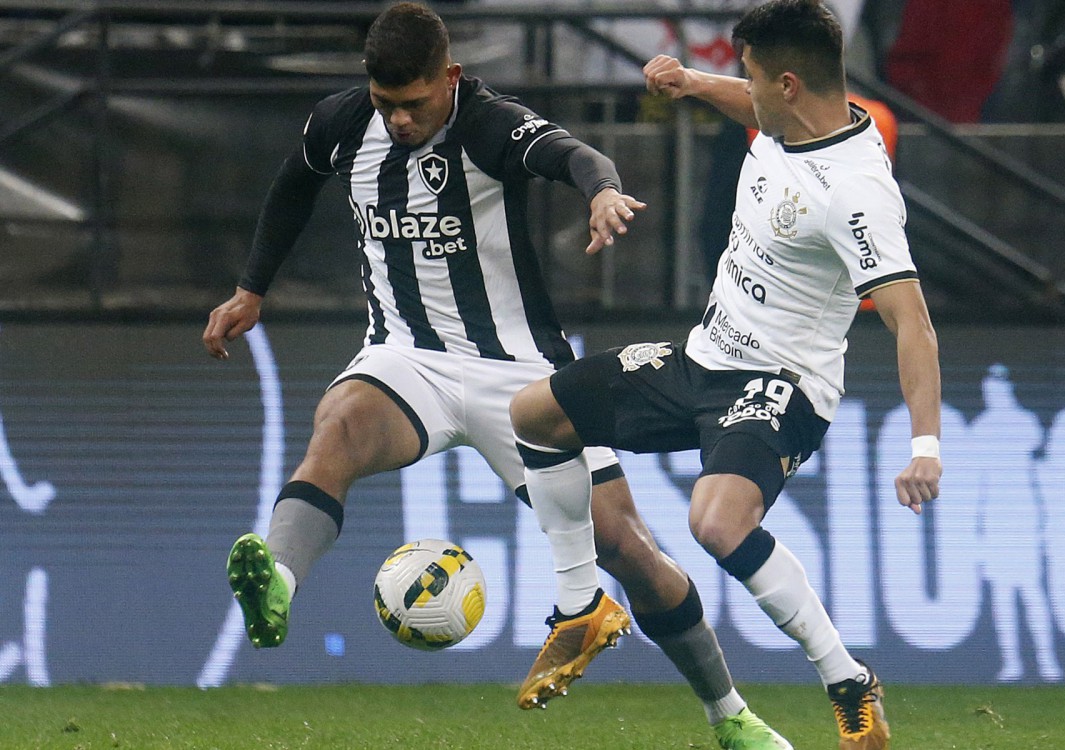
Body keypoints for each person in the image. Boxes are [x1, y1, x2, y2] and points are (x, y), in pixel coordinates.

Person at [202, 4, 791, 749]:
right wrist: (251, 289)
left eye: (415, 103)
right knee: (338, 427)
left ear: (450, 77)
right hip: (406, 357)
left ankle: (729, 714)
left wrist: (602, 192)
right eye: (386, 103)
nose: (400, 120)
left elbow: (575, 156)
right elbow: (294, 183)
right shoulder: (342, 123)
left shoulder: (487, 125)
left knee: (628, 549)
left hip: (520, 375)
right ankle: (278, 586)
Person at [510, 2, 942, 749]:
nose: (743, 89)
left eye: (750, 76)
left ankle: (847, 679)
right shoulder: (789, 118)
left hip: (781, 382)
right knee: (534, 416)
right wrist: (693, 82)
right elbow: (753, 102)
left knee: (715, 522)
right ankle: (582, 604)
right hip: (702, 358)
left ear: (788, 84)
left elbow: (914, 324)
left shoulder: (857, 193)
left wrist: (925, 447)